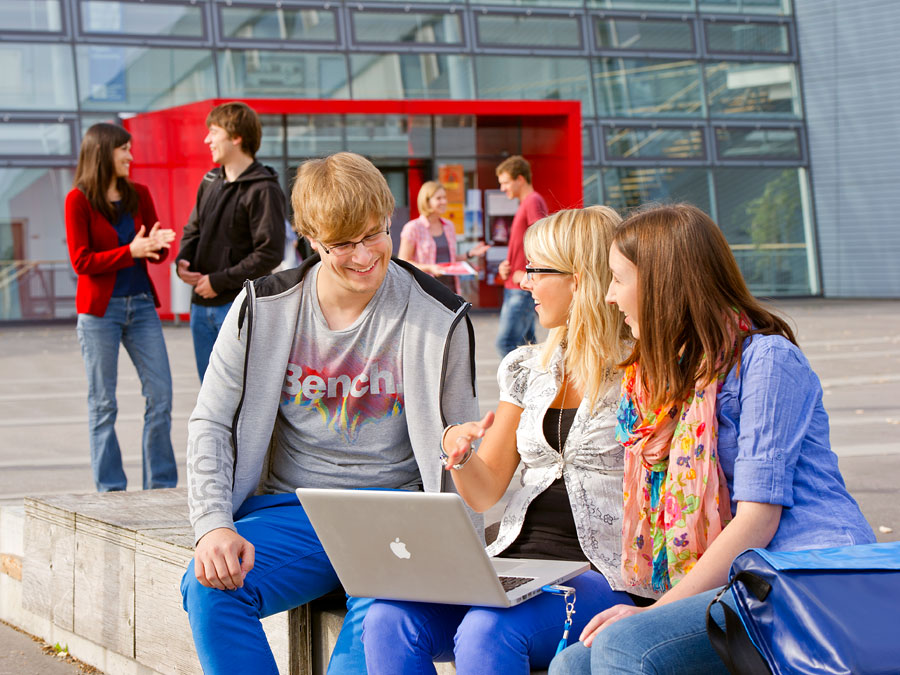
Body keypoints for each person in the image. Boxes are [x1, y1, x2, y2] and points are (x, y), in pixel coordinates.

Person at [180, 152, 482, 675]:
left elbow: (460, 449)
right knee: (209, 587)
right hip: (295, 510)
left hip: (398, 516)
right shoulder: (264, 306)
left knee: (364, 648)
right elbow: (211, 421)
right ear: (311, 239)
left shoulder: (439, 316)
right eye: (343, 244)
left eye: (374, 234)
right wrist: (211, 525)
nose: (364, 255)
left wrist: (461, 553)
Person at [549, 203, 876, 675]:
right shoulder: (671, 378)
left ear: (663, 284)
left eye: (618, 279)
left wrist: (653, 613)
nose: (608, 297)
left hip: (808, 576)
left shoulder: (767, 361)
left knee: (627, 643)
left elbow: (757, 522)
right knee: (572, 665)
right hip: (745, 581)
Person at [363, 207, 655, 674]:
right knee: (386, 619)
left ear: (579, 280)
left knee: (486, 629)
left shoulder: (644, 373)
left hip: (599, 572)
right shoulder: (526, 368)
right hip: (515, 562)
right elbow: (484, 492)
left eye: (537, 270)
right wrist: (457, 453)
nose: (524, 282)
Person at [64, 123, 178, 492]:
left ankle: (160, 485)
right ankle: (110, 488)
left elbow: (154, 255)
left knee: (160, 395)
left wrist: (157, 244)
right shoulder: (78, 200)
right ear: (103, 152)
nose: (131, 156)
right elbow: (81, 261)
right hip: (100, 313)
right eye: (124, 149)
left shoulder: (140, 194)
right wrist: (129, 251)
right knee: (103, 403)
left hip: (141, 306)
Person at [175, 101, 285, 382]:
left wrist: (218, 281)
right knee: (210, 396)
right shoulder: (209, 181)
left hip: (239, 307)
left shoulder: (264, 189)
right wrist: (183, 261)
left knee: (243, 397)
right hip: (200, 307)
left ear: (236, 137)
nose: (207, 139)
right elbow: (192, 230)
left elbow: (269, 253)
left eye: (213, 132)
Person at [495, 155, 548, 357]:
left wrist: (528, 273)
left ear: (520, 179)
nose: (502, 188)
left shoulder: (533, 201)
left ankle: (517, 389)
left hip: (521, 288)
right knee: (527, 347)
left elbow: (542, 240)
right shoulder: (526, 203)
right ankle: (532, 387)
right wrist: (507, 265)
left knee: (506, 344)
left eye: (506, 182)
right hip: (516, 286)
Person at [398, 181, 489, 294]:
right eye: (439, 198)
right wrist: (430, 268)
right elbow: (403, 262)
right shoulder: (413, 228)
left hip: (450, 289)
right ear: (427, 201)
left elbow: (449, 259)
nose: (444, 201)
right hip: (425, 290)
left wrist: (469, 254)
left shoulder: (449, 226)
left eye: (445, 197)